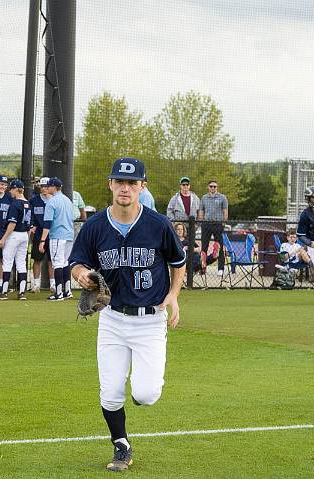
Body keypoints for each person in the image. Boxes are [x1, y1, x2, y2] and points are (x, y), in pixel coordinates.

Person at [69, 157, 186, 472]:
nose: (125, 187)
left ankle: (139, 391)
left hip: (150, 321)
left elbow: (178, 263)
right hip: (113, 319)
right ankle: (121, 446)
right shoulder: (94, 226)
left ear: (142, 187)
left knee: (146, 395)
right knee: (110, 392)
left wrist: (173, 296)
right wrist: (80, 275)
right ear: (110, 184)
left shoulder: (158, 224)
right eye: (119, 181)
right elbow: (77, 263)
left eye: (132, 183)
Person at [38, 177, 74, 301]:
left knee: (58, 263)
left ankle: (58, 293)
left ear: (54, 187)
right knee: (65, 263)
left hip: (58, 236)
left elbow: (47, 223)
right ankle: (67, 291)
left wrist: (42, 240)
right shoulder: (68, 200)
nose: (46, 188)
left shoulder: (51, 202)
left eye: (48, 186)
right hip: (69, 235)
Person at [0, 180, 31, 300]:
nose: (10, 191)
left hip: (14, 234)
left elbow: (12, 223)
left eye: (11, 189)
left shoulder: (15, 204)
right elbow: (29, 225)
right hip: (24, 235)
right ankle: (22, 292)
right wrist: (27, 238)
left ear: (16, 189)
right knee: (21, 263)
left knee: (7, 263)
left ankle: (4, 292)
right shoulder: (28, 203)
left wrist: (4, 238)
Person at [28, 177, 54, 293]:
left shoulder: (55, 201)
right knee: (37, 260)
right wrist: (32, 226)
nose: (44, 189)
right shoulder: (34, 201)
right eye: (42, 186)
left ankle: (53, 284)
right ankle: (36, 284)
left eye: (46, 186)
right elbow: (31, 216)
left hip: (53, 234)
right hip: (39, 235)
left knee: (52, 261)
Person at [198, 180, 228, 276]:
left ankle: (221, 269)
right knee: (204, 247)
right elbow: (201, 211)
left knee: (219, 246)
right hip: (206, 224)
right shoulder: (204, 198)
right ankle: (202, 267)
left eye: (215, 186)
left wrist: (223, 223)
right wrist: (202, 222)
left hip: (218, 224)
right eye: (211, 186)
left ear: (217, 187)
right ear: (208, 187)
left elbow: (225, 211)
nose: (213, 188)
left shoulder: (222, 197)